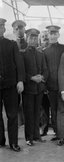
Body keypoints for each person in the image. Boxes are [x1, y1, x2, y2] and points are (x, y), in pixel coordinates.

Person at [0, 18, 25, 152]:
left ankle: (14, 143)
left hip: (11, 85)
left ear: (4, 29)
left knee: (12, 115)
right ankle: (0, 141)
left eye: (1, 27)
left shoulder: (11, 44)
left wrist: (20, 80)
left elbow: (19, 64)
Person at [22, 28, 48, 146]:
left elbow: (45, 70)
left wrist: (41, 77)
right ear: (27, 39)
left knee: (37, 113)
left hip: (39, 89)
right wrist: (32, 78)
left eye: (35, 38)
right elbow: (21, 71)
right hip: (28, 89)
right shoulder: (22, 53)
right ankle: (29, 137)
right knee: (29, 114)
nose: (33, 40)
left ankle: (37, 135)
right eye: (31, 38)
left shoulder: (40, 54)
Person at [44, 25, 64, 141]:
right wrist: (45, 85)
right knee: (53, 110)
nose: (53, 36)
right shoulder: (44, 51)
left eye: (55, 34)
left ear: (58, 35)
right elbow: (44, 69)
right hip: (50, 86)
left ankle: (62, 134)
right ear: (48, 35)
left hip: (63, 86)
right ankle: (57, 133)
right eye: (51, 34)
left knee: (62, 110)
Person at [37, 30, 50, 136]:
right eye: (43, 37)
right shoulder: (38, 51)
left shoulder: (52, 50)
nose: (45, 38)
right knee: (42, 109)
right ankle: (43, 129)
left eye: (46, 36)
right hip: (40, 84)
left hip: (52, 84)